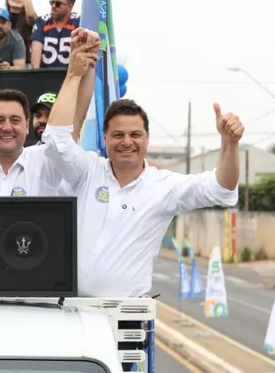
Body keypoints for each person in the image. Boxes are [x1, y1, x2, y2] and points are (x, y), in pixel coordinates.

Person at [41, 30, 243, 298]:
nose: (127, 142)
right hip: (72, 310)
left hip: (128, 319)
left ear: (147, 138)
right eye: (118, 135)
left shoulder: (162, 187)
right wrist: (74, 72)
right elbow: (57, 142)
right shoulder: (87, 171)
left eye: (135, 135)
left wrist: (230, 143)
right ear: (104, 138)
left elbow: (222, 188)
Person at [30, 0, 81, 69]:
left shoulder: (79, 22)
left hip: (70, 76)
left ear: (70, 6)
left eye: (58, 4)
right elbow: (36, 50)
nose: (53, 6)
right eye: (52, 2)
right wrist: (37, 77)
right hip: (46, 76)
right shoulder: (42, 22)